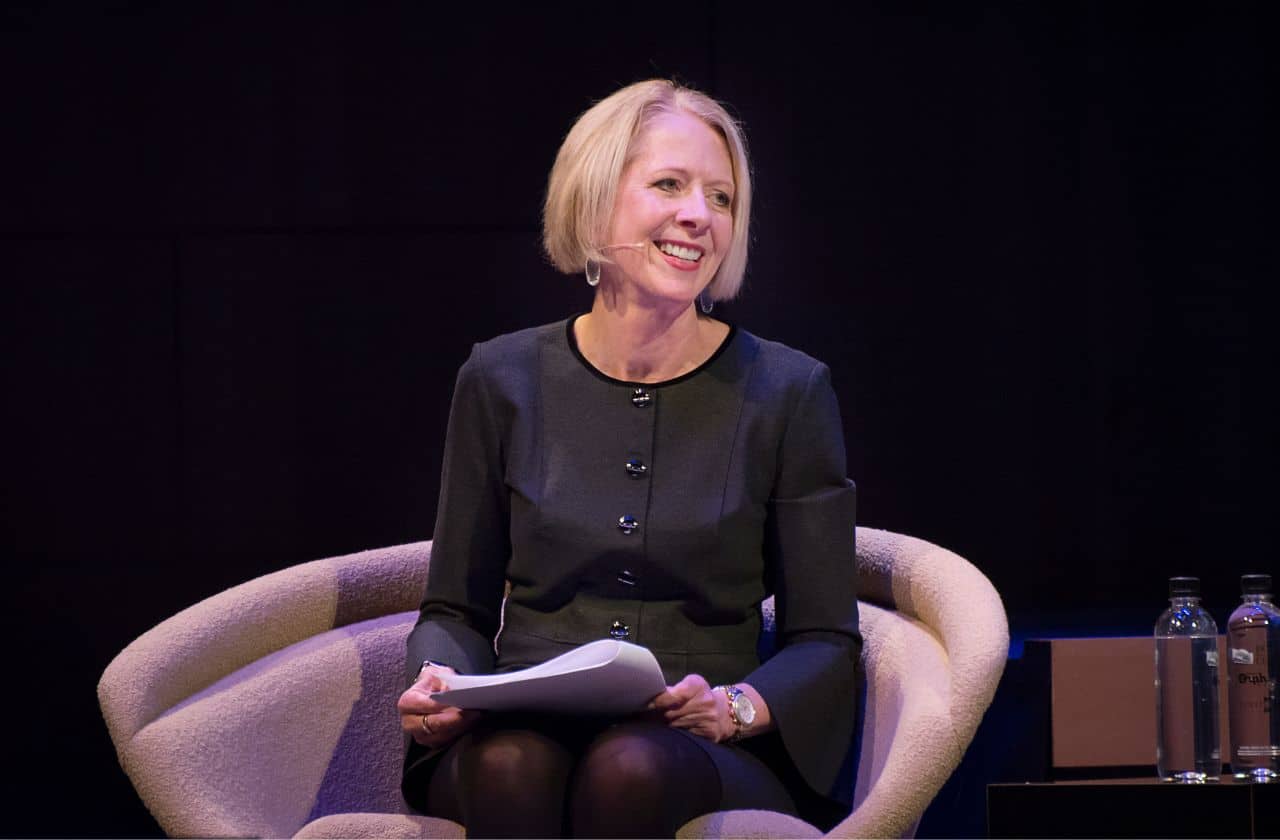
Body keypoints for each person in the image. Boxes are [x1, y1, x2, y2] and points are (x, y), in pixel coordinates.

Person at [396, 79, 860, 838]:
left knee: (629, 769)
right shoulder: (500, 378)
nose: (697, 216)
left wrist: (736, 707)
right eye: (669, 185)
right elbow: (456, 607)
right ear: (595, 199)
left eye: (721, 197)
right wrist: (439, 680)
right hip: (523, 723)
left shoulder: (789, 391)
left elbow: (825, 640)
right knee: (507, 766)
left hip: (699, 743)